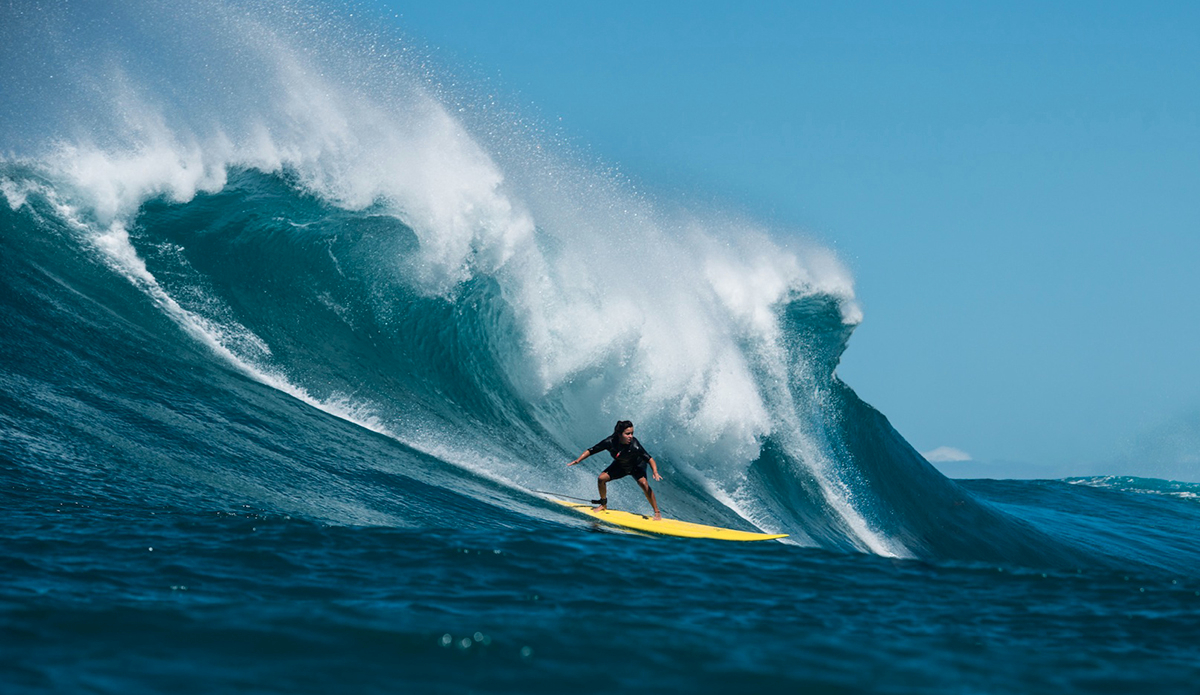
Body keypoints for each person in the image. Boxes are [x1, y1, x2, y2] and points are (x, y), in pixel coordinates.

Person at [567, 420, 663, 520]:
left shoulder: (635, 445)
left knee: (643, 483)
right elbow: (592, 450)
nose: (631, 436)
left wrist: (655, 471)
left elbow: (649, 459)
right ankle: (603, 504)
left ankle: (657, 512)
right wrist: (578, 460)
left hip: (636, 466)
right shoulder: (610, 442)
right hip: (621, 466)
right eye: (627, 434)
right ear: (619, 434)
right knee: (601, 478)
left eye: (632, 433)